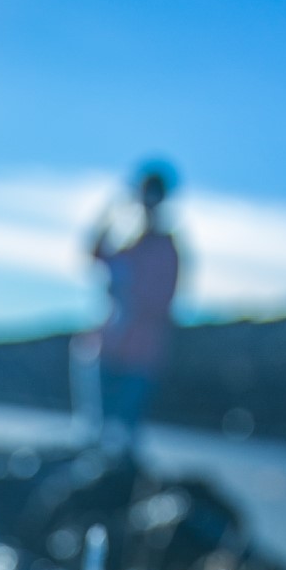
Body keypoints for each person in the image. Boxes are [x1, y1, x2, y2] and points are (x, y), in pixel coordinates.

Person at [75, 162, 181, 447]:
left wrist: (128, 294)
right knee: (94, 433)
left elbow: (162, 302)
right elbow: (95, 254)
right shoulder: (130, 245)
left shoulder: (166, 250)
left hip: (140, 356)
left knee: (124, 435)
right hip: (105, 347)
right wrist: (111, 211)